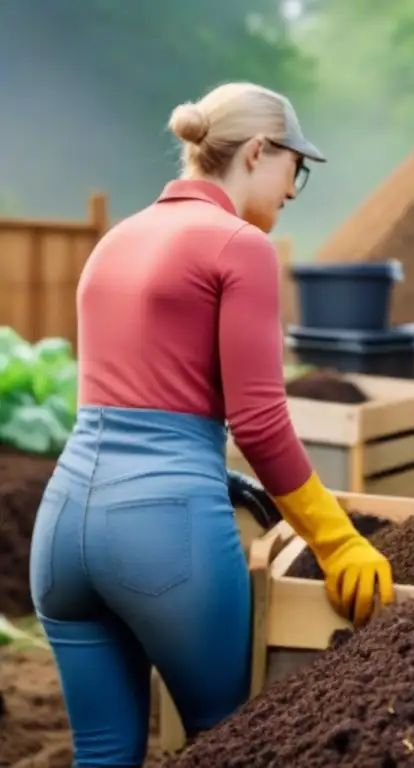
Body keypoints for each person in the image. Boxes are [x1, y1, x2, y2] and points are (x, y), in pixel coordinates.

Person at [28, 82, 394, 767]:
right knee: (225, 745)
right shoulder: (239, 247)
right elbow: (259, 421)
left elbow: (133, 409)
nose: (292, 189)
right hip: (165, 540)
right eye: (296, 168)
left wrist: (210, 467)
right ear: (259, 151)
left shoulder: (117, 240)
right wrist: (337, 540)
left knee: (104, 754)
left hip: (63, 532)